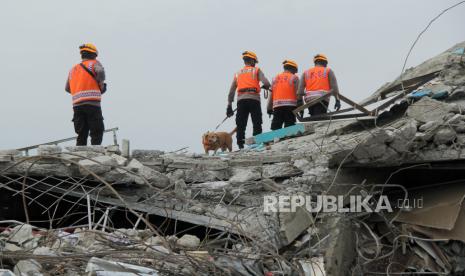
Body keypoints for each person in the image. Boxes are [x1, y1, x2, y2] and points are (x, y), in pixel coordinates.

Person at [227, 51, 271, 149]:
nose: (255, 64)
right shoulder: (256, 70)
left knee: (241, 123)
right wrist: (264, 86)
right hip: (254, 99)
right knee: (257, 121)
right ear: (252, 61)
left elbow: (232, 91)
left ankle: (240, 145)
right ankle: (257, 142)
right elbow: (267, 83)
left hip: (241, 100)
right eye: (255, 62)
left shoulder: (237, 73)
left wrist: (229, 105)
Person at [65, 43, 107, 146]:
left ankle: (80, 155)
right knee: (97, 130)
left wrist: (79, 92)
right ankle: (96, 154)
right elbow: (100, 71)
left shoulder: (73, 70)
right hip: (92, 104)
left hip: (77, 105)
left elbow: (67, 88)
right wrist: (100, 84)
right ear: (94, 54)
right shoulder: (94, 63)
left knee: (81, 132)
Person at [267, 60, 299, 130]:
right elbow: (298, 94)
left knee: (276, 125)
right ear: (292, 68)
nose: (295, 73)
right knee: (290, 125)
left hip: (277, 106)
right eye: (295, 71)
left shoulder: (275, 78)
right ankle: (289, 139)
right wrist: (300, 106)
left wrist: (269, 107)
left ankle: (275, 139)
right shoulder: (294, 77)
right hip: (290, 106)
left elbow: (271, 94)